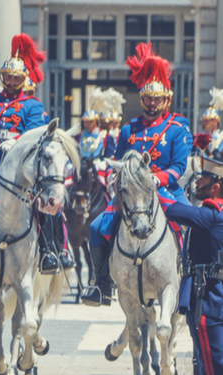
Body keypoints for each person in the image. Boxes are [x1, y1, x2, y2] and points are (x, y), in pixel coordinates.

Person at [83, 43, 192, 307]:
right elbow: (117, 159)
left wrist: (159, 178)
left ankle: (189, 281)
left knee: (191, 228)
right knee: (97, 228)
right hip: (132, 193)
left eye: (157, 99)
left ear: (167, 99)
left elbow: (179, 166)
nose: (152, 103)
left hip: (164, 191)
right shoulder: (129, 129)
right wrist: (112, 173)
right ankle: (102, 286)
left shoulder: (177, 127)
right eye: (148, 98)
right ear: (142, 98)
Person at [0, 33, 70, 275]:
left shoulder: (33, 105)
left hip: (18, 164)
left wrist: (16, 143)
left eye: (15, 77)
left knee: (42, 201)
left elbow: (34, 133)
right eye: (7, 77)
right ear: (2, 77)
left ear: (23, 79)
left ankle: (50, 250)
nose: (10, 81)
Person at [167, 156, 223, 375]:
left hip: (207, 303)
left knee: (211, 367)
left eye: (203, 180)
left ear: (215, 188)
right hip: (211, 301)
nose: (197, 183)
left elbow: (172, 211)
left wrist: (164, 188)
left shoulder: (211, 215)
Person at [202, 87, 223, 160]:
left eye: (207, 120)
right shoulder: (202, 137)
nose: (204, 123)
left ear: (215, 122)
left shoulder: (221, 137)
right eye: (204, 120)